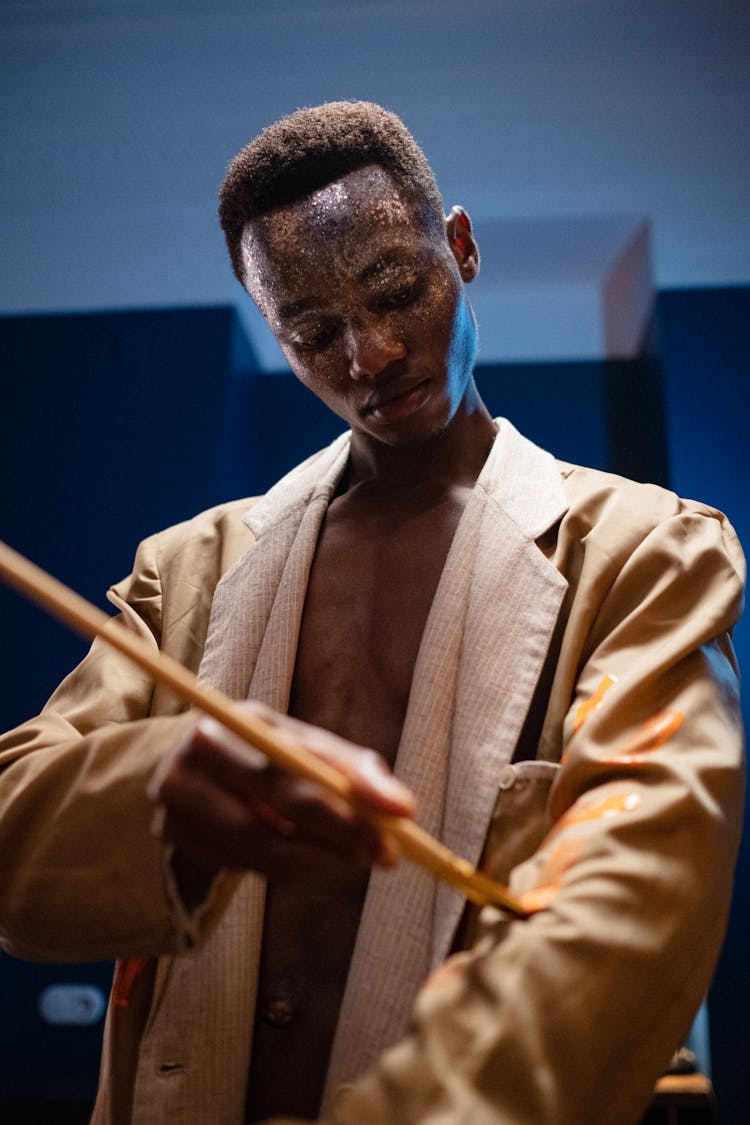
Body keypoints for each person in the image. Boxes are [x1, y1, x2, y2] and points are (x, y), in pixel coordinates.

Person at [0, 101, 744, 1125]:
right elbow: (13, 834)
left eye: (396, 291)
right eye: (312, 332)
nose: (370, 355)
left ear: (464, 249)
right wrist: (159, 795)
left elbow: (637, 893)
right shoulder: (189, 573)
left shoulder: (639, 554)